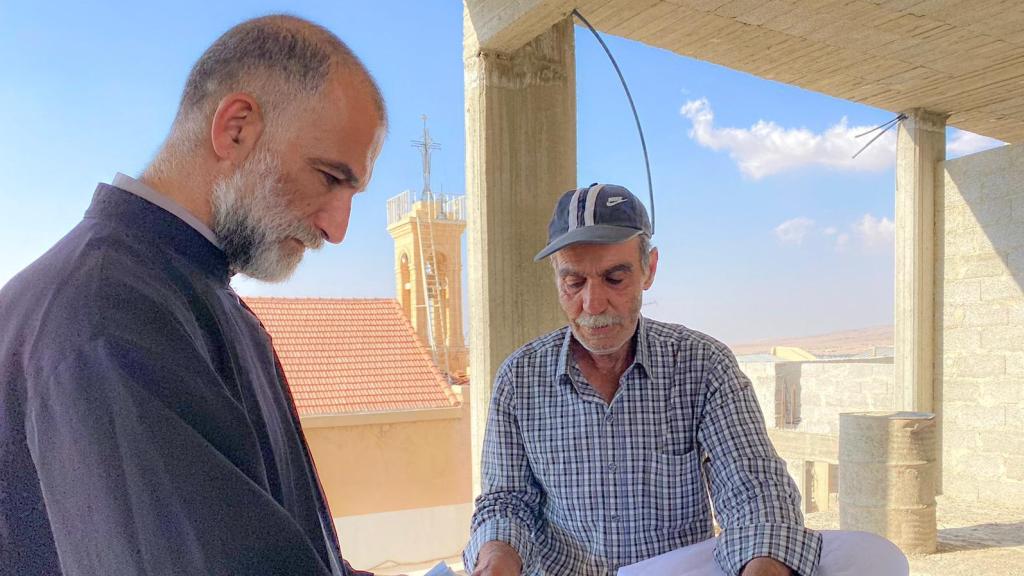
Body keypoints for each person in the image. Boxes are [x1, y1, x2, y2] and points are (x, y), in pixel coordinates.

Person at [0, 15, 385, 576]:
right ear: (236, 128)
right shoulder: (106, 311)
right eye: (329, 177)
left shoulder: (186, 290)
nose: (337, 228)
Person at [464, 184, 906, 576]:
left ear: (649, 269)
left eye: (615, 278)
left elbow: (754, 488)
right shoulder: (519, 379)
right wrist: (496, 559)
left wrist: (765, 564)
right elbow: (507, 500)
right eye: (573, 282)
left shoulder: (703, 366)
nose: (593, 302)